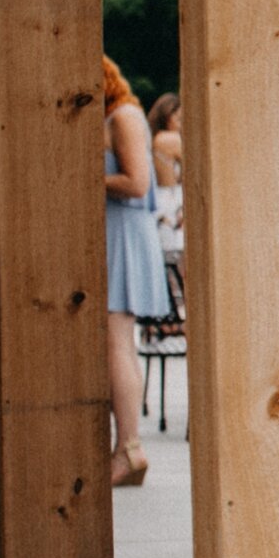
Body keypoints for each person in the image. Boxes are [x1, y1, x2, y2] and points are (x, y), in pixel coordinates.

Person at [101, 58, 170, 488]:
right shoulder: (112, 116)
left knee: (117, 343)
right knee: (116, 342)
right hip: (115, 234)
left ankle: (129, 446)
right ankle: (124, 446)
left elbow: (139, 182)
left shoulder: (122, 115)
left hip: (123, 235)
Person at [148, 92, 185, 262]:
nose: (182, 124)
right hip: (173, 201)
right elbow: (198, 168)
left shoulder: (153, 138)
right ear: (168, 116)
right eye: (178, 118)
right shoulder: (171, 139)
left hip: (159, 201)